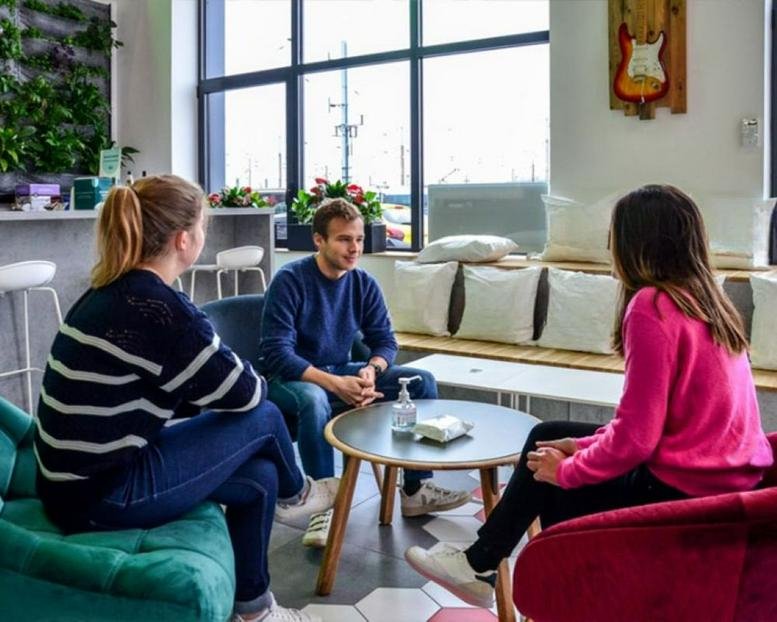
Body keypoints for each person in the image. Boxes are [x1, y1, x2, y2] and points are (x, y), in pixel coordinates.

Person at [405, 184, 775, 608]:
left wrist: (568, 471)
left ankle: (550, 590)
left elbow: (637, 440)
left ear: (635, 243)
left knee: (551, 480)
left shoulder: (653, 306)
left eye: (613, 235)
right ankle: (482, 565)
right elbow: (655, 425)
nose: (609, 246)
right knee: (549, 436)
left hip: (685, 490)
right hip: (730, 476)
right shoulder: (708, 301)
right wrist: (579, 446)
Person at [34, 175, 335, 622]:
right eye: (203, 227)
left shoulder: (111, 289)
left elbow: (167, 392)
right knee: (266, 413)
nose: (204, 235)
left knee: (259, 477)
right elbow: (248, 392)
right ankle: (300, 496)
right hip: (101, 495)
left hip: (68, 487)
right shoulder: (161, 308)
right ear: (182, 239)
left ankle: (254, 610)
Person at [260, 198, 470, 546]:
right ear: (319, 240)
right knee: (314, 399)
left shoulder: (363, 283)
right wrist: (336, 384)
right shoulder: (290, 280)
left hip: (341, 369)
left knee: (422, 381)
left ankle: (416, 489)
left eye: (358, 239)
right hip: (290, 378)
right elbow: (277, 353)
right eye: (344, 239)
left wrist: (371, 370)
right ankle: (323, 504)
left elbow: (385, 340)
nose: (354, 248)